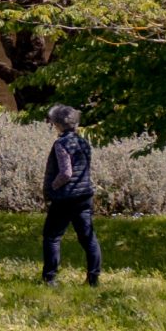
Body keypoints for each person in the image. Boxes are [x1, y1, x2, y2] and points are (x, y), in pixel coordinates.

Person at [41, 104, 103, 287]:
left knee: (52, 236)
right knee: (88, 238)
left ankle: (50, 278)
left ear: (58, 124)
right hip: (84, 195)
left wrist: (52, 187)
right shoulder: (83, 142)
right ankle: (93, 278)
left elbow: (66, 172)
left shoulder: (61, 143)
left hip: (64, 198)